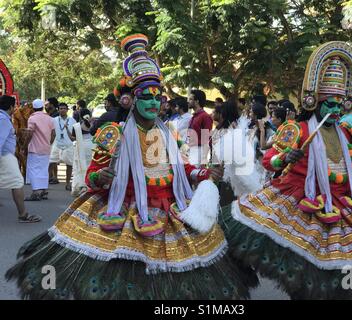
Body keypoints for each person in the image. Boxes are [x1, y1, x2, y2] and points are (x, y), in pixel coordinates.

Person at [6, 34, 257, 300]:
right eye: (145, 96)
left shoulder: (168, 134)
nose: (153, 102)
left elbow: (179, 169)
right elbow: (92, 176)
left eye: (157, 97)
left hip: (168, 208)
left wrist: (204, 173)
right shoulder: (115, 134)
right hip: (122, 207)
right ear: (134, 99)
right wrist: (102, 176)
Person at [220, 41, 352, 299]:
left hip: (343, 202)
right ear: (316, 102)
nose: (336, 110)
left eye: (339, 104)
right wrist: (287, 157)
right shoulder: (298, 129)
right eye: (330, 104)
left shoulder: (344, 133)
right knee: (302, 264)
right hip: (301, 200)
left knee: (341, 265)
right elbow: (270, 161)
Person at [0, 95, 41, 223]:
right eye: (14, 106)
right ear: (11, 107)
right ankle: (23, 214)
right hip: (5, 156)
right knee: (17, 182)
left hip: (5, 155)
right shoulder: (3, 120)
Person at [24, 99, 56, 201]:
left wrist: (25, 145)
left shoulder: (32, 118)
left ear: (33, 108)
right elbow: (53, 134)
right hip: (46, 149)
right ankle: (43, 191)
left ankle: (35, 193)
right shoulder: (50, 119)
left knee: (33, 170)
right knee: (43, 170)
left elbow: (29, 133)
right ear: (43, 107)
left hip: (34, 148)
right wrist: (48, 143)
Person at [67, 108, 95, 197]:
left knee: (79, 166)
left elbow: (73, 138)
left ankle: (80, 186)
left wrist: (66, 130)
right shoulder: (94, 124)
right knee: (91, 165)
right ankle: (90, 186)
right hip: (92, 146)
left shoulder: (76, 126)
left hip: (80, 147)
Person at [49, 103, 76, 190]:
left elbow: (75, 134)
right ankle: (54, 177)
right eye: (60, 108)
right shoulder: (54, 120)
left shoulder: (72, 120)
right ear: (58, 110)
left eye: (64, 108)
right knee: (51, 161)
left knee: (69, 164)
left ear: (67, 110)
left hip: (68, 145)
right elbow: (51, 132)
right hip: (57, 143)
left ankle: (68, 183)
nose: (62, 110)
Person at [187, 89, 213, 166]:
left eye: (191, 99)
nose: (188, 101)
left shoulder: (205, 117)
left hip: (198, 152)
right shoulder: (194, 116)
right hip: (189, 150)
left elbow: (206, 140)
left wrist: (203, 160)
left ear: (197, 101)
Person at [12, 101, 34, 180]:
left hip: (20, 136)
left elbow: (15, 128)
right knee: (26, 155)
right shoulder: (32, 111)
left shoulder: (16, 113)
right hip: (29, 136)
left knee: (19, 155)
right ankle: (26, 174)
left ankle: (20, 175)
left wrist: (17, 135)